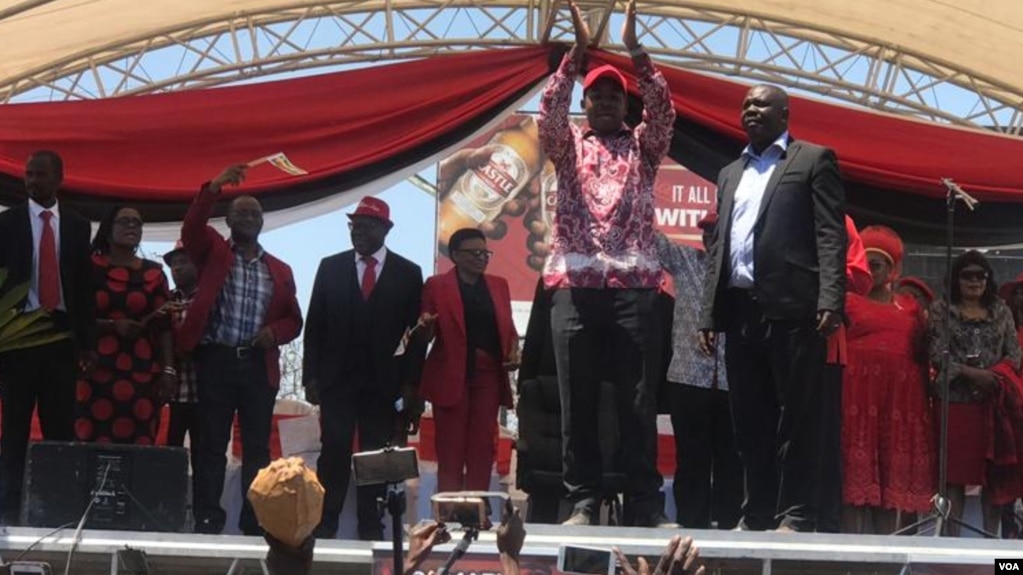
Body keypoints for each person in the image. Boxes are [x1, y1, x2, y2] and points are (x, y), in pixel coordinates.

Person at [539, 0, 676, 528]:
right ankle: (583, 501)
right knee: (578, 400)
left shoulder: (645, 147)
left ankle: (645, 502)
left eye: (614, 95)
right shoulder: (567, 146)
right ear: (585, 101)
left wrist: (636, 50)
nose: (603, 102)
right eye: (595, 94)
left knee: (638, 401)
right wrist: (575, 53)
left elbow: (664, 110)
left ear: (626, 104)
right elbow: (550, 111)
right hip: (575, 285)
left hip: (635, 287)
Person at [699, 84, 847, 532]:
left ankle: (798, 512)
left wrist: (830, 298)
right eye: (745, 104)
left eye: (761, 104)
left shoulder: (812, 159)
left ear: (785, 113)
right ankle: (758, 511)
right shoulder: (730, 172)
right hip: (741, 311)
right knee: (750, 421)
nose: (750, 110)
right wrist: (709, 313)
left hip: (795, 310)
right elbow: (720, 246)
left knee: (799, 419)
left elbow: (830, 234)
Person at [179, 165, 304, 536]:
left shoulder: (278, 269)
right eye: (241, 212)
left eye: (254, 213)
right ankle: (208, 519)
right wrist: (213, 187)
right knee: (211, 445)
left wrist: (274, 332)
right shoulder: (214, 252)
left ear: (263, 222)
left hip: (256, 367)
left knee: (257, 451)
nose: (248, 218)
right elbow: (191, 229)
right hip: (216, 359)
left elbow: (294, 320)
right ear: (228, 220)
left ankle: (254, 522)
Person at [303, 196, 424, 541]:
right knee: (335, 449)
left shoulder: (408, 272)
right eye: (355, 225)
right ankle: (326, 522)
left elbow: (415, 337)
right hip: (336, 380)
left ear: (386, 229)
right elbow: (315, 326)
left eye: (367, 225)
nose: (359, 231)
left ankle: (371, 524)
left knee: (375, 456)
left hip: (383, 383)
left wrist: (411, 385)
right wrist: (310, 376)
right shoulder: (330, 266)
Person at [0, 151, 94, 524]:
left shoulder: (76, 225)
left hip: (60, 338)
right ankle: (6, 511)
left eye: (40, 174)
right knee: (14, 429)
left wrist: (87, 344)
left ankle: (58, 509)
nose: (32, 181)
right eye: (28, 175)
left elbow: (84, 288)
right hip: (18, 337)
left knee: (60, 429)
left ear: (59, 177)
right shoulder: (6, 224)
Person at [841, 225, 935, 534]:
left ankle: (886, 562)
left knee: (890, 495)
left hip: (898, 409)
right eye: (865, 263)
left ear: (892, 269)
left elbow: (925, 352)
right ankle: (851, 563)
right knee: (855, 490)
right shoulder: (846, 302)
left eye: (877, 264)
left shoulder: (911, 309)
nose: (871, 270)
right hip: (857, 405)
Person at [653, 214, 741, 529]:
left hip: (733, 382)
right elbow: (655, 241)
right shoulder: (688, 261)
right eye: (706, 234)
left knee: (732, 462)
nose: (709, 240)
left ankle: (731, 532)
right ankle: (692, 529)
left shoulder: (743, 275)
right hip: (688, 380)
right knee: (691, 461)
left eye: (717, 234)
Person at [927, 250, 1023, 536]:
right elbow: (935, 354)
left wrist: (991, 377)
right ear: (955, 279)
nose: (974, 281)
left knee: (994, 478)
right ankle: (952, 546)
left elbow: (1015, 356)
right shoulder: (941, 310)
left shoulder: (1002, 310)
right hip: (955, 404)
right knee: (954, 479)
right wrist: (972, 374)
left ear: (988, 279)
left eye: (980, 275)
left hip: (994, 404)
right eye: (967, 275)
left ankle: (990, 544)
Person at [419, 228, 519, 493]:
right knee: (450, 448)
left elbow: (507, 328)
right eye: (474, 253)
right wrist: (426, 325)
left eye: (485, 253)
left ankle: (478, 510)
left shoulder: (499, 285)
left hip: (487, 374)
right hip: (450, 373)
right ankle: (448, 514)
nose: (481, 258)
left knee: (482, 447)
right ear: (455, 256)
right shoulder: (436, 285)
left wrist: (513, 351)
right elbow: (425, 331)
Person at [75, 206, 175, 444]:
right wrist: (111, 326)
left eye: (137, 222)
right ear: (108, 231)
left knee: (139, 441)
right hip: (94, 367)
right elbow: (75, 316)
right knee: (91, 440)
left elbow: (164, 326)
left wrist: (168, 370)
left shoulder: (155, 273)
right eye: (125, 221)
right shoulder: (88, 267)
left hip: (141, 372)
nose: (132, 226)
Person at [816, 216, 872, 533]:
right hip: (773, 340)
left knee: (824, 440)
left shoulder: (839, 220)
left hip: (823, 346)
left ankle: (825, 524)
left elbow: (861, 277)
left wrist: (815, 270)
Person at [163, 242, 200, 490]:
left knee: (204, 457)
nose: (178, 268)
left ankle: (202, 514)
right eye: (174, 264)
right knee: (169, 455)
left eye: (183, 261)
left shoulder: (209, 297)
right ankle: (168, 502)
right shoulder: (165, 301)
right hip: (173, 394)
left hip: (204, 393)